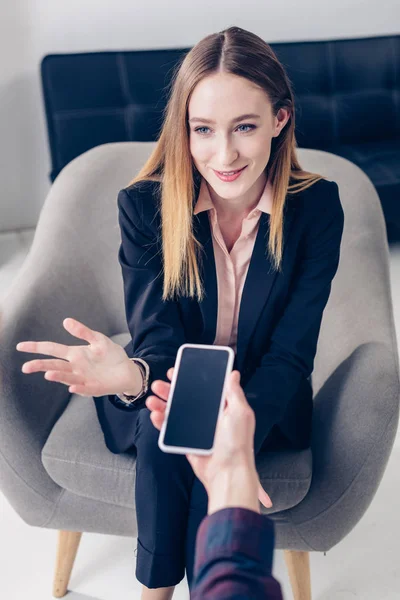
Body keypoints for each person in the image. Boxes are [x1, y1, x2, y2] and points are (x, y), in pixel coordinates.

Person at [16, 25, 344, 600]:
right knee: (162, 425)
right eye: (203, 130)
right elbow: (157, 339)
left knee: (194, 439)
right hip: (169, 376)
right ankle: (158, 590)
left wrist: (236, 439)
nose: (224, 154)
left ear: (280, 120)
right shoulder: (144, 206)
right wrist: (137, 378)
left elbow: (291, 353)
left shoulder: (317, 208)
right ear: (184, 130)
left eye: (245, 126)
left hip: (262, 389)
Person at [147, 366, 284, 599]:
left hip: (263, 398)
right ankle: (160, 587)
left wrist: (241, 455)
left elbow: (286, 361)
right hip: (184, 385)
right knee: (158, 440)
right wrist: (236, 470)